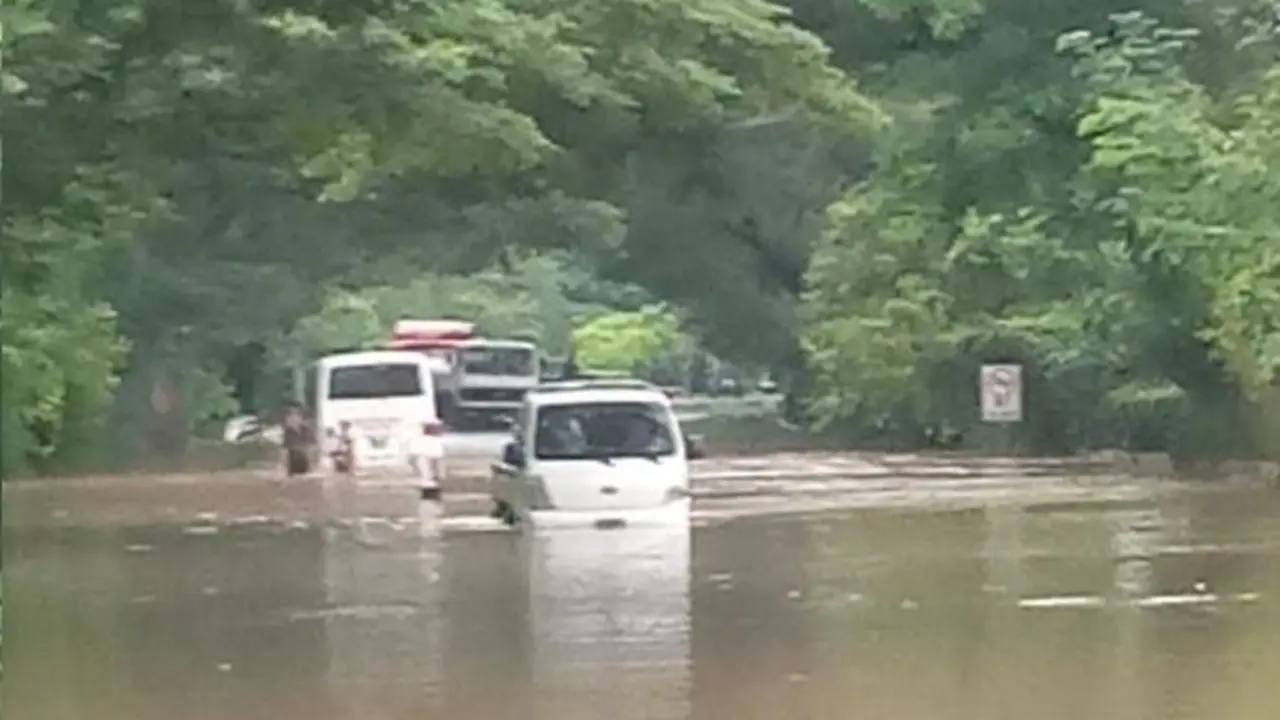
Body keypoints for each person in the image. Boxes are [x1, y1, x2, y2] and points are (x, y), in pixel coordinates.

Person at [282, 403, 313, 477]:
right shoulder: (289, 432)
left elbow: (310, 448)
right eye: (289, 416)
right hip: (293, 468)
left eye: (295, 415)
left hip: (303, 467)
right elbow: (285, 450)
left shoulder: (305, 430)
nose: (290, 419)